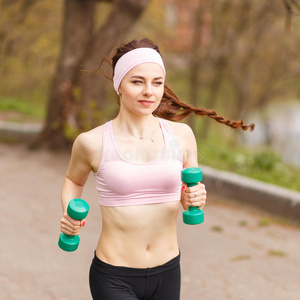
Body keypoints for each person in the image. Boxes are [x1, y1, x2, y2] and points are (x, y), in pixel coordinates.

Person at [60, 38, 254, 300]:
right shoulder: (92, 142)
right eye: (137, 81)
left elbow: (190, 197)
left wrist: (195, 198)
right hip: (114, 275)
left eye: (157, 82)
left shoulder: (182, 136)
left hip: (168, 271)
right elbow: (73, 181)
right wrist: (70, 214)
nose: (149, 91)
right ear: (119, 85)